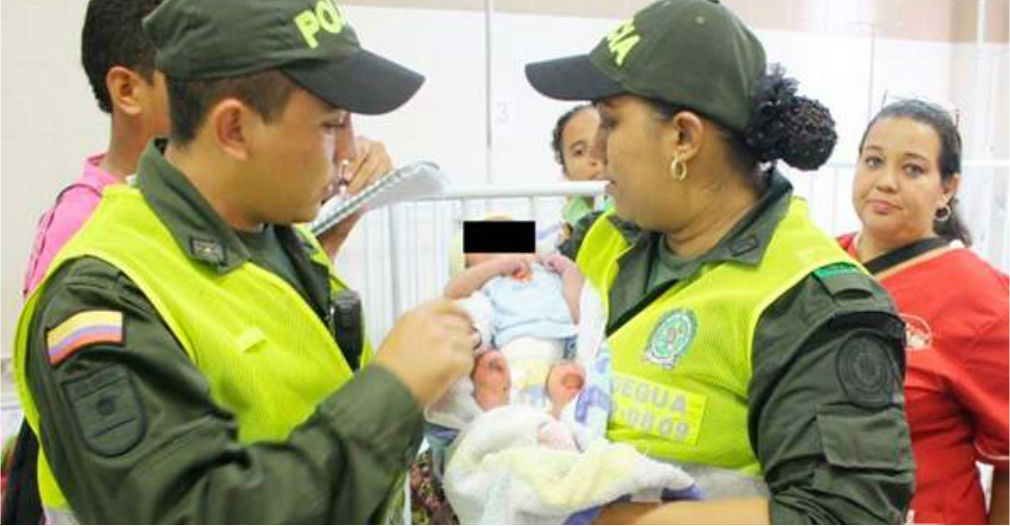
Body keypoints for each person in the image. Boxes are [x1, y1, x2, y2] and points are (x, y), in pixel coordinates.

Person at [11, 0, 475, 523]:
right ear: (234, 129)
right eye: (332, 124)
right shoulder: (103, 296)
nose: (350, 150)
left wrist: (425, 383)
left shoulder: (282, 239)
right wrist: (392, 390)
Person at [525, 0, 915, 523]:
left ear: (683, 137)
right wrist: (469, 238)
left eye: (611, 122)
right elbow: (535, 239)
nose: (596, 150)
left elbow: (845, 515)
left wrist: (606, 519)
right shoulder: (617, 234)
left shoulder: (809, 303)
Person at [837, 99, 1008, 524]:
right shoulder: (818, 263)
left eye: (912, 169)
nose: (886, 182)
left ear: (947, 188)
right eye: (873, 161)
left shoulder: (979, 296)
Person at [551, 105, 605, 235]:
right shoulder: (563, 217)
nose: (596, 157)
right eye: (579, 151)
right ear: (564, 164)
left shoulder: (637, 211)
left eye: (604, 143)